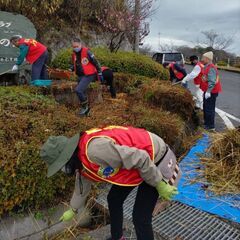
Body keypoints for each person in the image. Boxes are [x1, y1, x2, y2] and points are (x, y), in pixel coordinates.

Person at [40, 125, 181, 240]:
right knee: (114, 199)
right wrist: (73, 208)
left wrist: (159, 183)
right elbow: (82, 184)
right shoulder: (80, 158)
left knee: (140, 217)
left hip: (154, 159)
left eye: (61, 166)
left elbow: (141, 158)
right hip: (135, 165)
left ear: (67, 157)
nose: (63, 170)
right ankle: (117, 237)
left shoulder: (94, 151)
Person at [71, 37, 103, 116]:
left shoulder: (87, 52)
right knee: (82, 91)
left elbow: (96, 62)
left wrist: (99, 73)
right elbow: (75, 63)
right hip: (80, 75)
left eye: (77, 46)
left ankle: (85, 107)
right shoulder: (74, 53)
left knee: (78, 90)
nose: (75, 48)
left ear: (80, 45)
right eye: (74, 47)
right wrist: (71, 68)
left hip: (89, 74)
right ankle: (87, 111)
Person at [201, 51, 222, 131]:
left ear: (207, 59)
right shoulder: (207, 66)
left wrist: (208, 91)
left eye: (203, 58)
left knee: (209, 108)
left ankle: (210, 126)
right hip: (207, 91)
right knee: (206, 107)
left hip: (211, 92)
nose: (202, 59)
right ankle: (207, 123)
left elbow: (212, 82)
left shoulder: (211, 68)